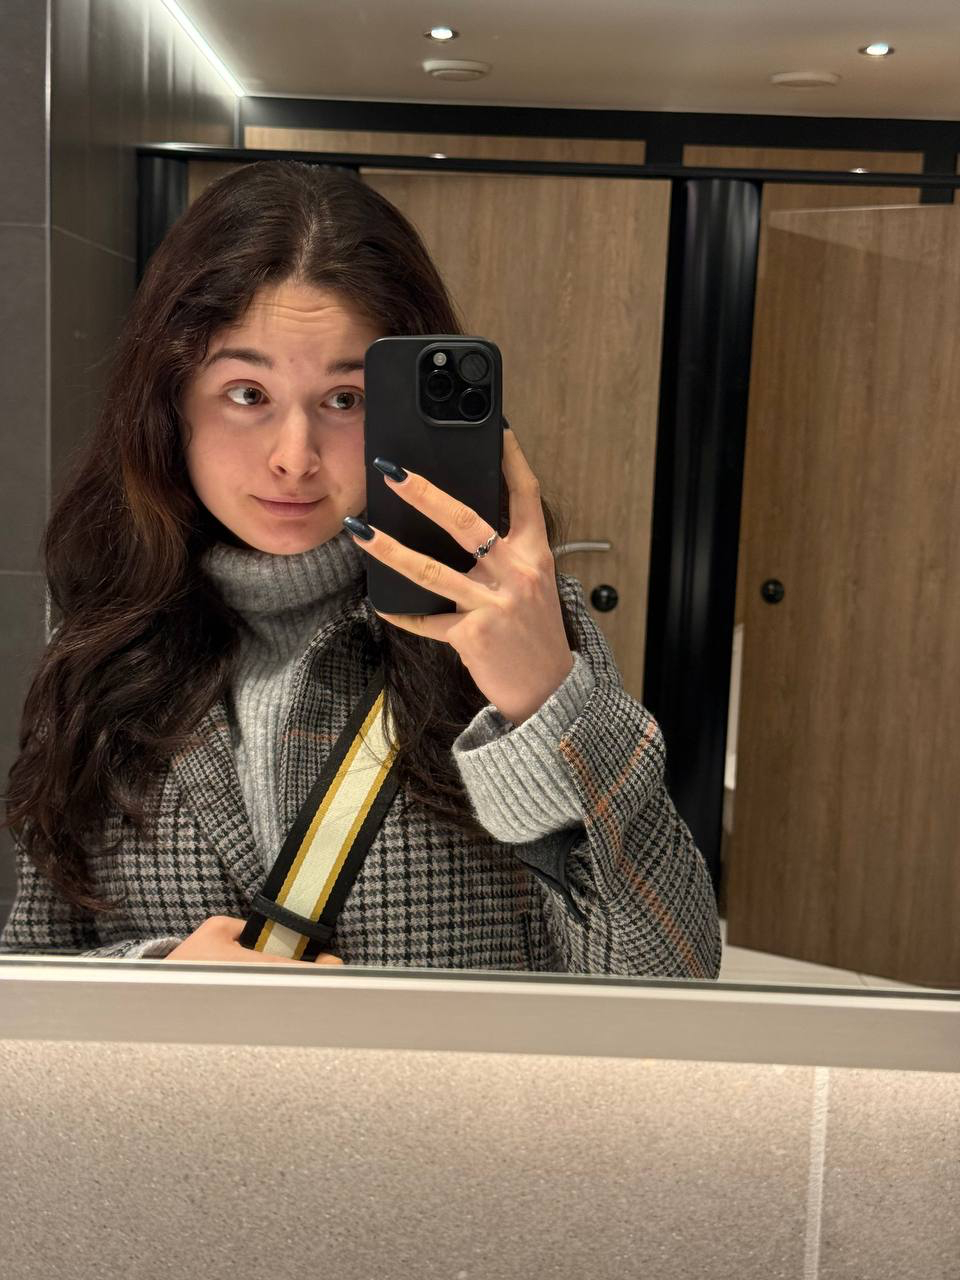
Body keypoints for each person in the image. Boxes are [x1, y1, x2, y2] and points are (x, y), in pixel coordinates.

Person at [0, 159, 720, 977]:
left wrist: (548, 705)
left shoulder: (509, 621)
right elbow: (35, 966)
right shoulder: (107, 631)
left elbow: (672, 978)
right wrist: (159, 977)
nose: (293, 458)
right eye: (247, 393)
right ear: (168, 403)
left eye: (345, 399)